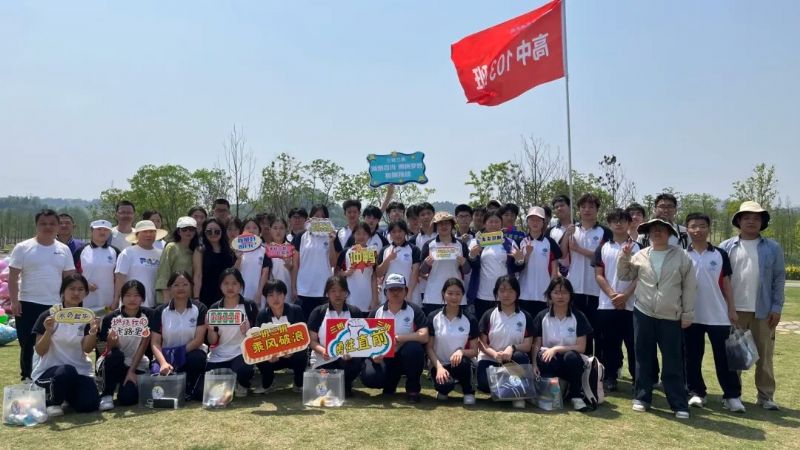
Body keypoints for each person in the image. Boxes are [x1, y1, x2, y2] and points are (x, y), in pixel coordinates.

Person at [618, 218, 696, 419]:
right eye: (653, 230)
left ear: (669, 233)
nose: (657, 233)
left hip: (671, 315)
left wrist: (687, 313)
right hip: (643, 312)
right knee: (643, 357)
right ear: (648, 234)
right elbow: (624, 276)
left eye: (662, 230)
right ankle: (642, 397)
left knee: (672, 360)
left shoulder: (682, 256)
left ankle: (678, 403)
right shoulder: (641, 254)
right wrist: (624, 256)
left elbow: (689, 287)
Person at [719, 201, 785, 410]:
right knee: (735, 356)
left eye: (756, 218)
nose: (751, 221)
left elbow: (779, 279)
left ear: (762, 222)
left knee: (764, 356)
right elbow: (719, 279)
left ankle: (765, 396)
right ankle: (733, 395)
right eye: (746, 217)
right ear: (738, 221)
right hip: (734, 310)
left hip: (763, 311)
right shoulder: (726, 246)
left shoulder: (773, 248)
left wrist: (776, 307)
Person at [684, 213, 744, 412]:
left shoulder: (720, 254)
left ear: (708, 228)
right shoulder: (682, 254)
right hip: (691, 315)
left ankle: (732, 396)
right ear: (687, 229)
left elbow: (727, 284)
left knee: (724, 358)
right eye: (693, 226)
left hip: (718, 315)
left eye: (702, 226)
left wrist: (732, 309)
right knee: (692, 357)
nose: (698, 230)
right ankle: (696, 392)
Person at [8, 208, 76, 380]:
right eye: (43, 223)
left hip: (55, 305)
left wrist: (70, 304)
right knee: (28, 343)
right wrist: (14, 301)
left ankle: (50, 378)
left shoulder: (64, 249)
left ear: (58, 226)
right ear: (36, 225)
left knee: (54, 343)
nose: (48, 227)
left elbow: (70, 279)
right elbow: (13, 277)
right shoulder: (23, 247)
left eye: (52, 223)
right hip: (28, 302)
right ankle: (27, 377)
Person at [31, 274, 101, 416]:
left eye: (80, 289)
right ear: (63, 291)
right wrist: (48, 331)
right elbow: (40, 350)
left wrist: (93, 331)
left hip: (79, 371)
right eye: (71, 288)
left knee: (89, 404)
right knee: (66, 371)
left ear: (86, 293)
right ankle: (53, 402)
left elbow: (87, 349)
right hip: (51, 371)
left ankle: (66, 396)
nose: (76, 293)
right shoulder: (49, 315)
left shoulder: (87, 317)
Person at [361, 274, 429, 403]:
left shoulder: (414, 310)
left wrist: (398, 338)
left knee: (414, 348)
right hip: (384, 357)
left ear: (406, 291)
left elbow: (424, 336)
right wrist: (373, 355)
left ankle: (413, 389)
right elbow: (366, 339)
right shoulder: (376, 312)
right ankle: (390, 383)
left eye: (399, 289)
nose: (395, 292)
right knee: (370, 377)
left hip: (405, 356)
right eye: (392, 289)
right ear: (385, 292)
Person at [592, 209, 639, 392]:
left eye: (622, 221)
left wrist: (625, 295)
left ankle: (638, 379)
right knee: (609, 344)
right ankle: (610, 377)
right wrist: (613, 295)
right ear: (609, 224)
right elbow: (599, 274)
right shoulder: (603, 247)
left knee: (633, 345)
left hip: (632, 305)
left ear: (629, 224)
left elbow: (641, 276)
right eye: (614, 221)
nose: (618, 224)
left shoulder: (638, 248)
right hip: (607, 304)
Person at [531, 277, 593, 411]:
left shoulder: (578, 316)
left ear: (570, 295)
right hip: (549, 361)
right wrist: (534, 364)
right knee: (546, 356)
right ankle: (551, 393)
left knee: (572, 357)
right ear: (550, 295)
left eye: (564, 292)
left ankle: (576, 396)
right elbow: (536, 345)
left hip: (569, 362)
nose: (560, 296)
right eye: (556, 292)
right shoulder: (542, 316)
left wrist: (556, 348)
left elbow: (581, 347)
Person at [561, 193, 611, 356]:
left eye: (591, 207)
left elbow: (602, 258)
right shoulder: (572, 230)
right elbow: (562, 254)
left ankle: (601, 365)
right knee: (580, 331)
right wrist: (566, 235)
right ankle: (583, 364)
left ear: (597, 210)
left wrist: (579, 249)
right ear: (579, 210)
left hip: (597, 289)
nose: (587, 210)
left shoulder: (604, 232)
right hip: (575, 288)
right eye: (583, 207)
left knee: (599, 332)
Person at [476, 276, 535, 409]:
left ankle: (517, 394)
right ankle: (506, 391)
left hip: (512, 359)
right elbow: (482, 343)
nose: (506, 294)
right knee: (484, 384)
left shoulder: (525, 316)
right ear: (496, 293)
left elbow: (527, 346)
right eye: (502, 290)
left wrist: (512, 348)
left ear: (517, 293)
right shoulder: (489, 314)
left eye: (510, 290)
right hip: (490, 358)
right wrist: (494, 354)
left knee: (520, 356)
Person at [150, 271, 208, 401]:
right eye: (176, 285)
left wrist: (178, 354)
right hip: (166, 356)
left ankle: (190, 388)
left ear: (191, 286)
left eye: (185, 284)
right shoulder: (160, 311)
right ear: (169, 288)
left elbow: (199, 340)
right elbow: (155, 342)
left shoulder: (200, 308)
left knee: (197, 358)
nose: (181, 288)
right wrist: (163, 362)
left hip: (190, 353)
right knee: (157, 378)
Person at [98, 280, 153, 410]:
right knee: (115, 355)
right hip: (115, 362)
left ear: (143, 298)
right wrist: (112, 342)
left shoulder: (149, 315)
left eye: (136, 295)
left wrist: (131, 371)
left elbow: (143, 346)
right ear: (122, 298)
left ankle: (128, 384)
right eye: (128, 295)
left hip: (137, 363)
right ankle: (107, 394)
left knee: (127, 398)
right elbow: (104, 350)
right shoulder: (111, 318)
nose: (132, 299)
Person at [307, 276, 366, 395]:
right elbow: (312, 341)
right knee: (324, 389)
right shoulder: (318, 312)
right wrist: (323, 350)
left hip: (347, 358)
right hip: (323, 359)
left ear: (346, 293)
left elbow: (362, 338)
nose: (338, 294)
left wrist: (352, 352)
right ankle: (337, 386)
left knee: (354, 362)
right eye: (333, 291)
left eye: (341, 290)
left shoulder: (355, 312)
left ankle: (346, 384)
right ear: (327, 293)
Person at [205, 268, 259, 397]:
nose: (230, 287)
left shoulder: (249, 306)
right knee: (210, 378)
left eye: (234, 283)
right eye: (226, 283)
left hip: (241, 352)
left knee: (243, 370)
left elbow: (257, 336)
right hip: (219, 354)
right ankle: (230, 383)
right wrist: (210, 329)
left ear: (240, 285)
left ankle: (242, 383)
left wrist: (247, 332)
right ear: (220, 286)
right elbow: (212, 341)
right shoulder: (215, 308)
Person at [426, 278, 479, 405]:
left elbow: (474, 351)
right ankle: (446, 385)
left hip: (460, 363)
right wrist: (439, 368)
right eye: (450, 293)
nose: (454, 297)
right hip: (440, 364)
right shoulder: (433, 317)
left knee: (463, 363)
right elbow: (429, 348)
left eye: (458, 294)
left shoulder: (470, 319)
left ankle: (468, 391)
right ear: (443, 294)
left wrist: (461, 352)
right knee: (444, 389)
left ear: (462, 295)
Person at [468, 212, 523, 321]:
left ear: (501, 224)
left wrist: (519, 260)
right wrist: (472, 256)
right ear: (484, 224)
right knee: (483, 326)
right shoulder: (476, 242)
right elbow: (473, 266)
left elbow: (516, 268)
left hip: (504, 295)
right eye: (490, 222)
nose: (494, 224)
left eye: (497, 222)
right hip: (482, 294)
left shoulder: (509, 243)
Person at [254, 280, 307, 393]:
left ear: (285, 295)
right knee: (260, 357)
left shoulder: (296, 310)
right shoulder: (262, 315)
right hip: (273, 357)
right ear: (266, 298)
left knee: (302, 352)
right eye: (271, 295)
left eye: (279, 294)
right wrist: (268, 354)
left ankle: (298, 383)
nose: (275, 298)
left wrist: (292, 350)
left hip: (292, 354)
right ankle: (268, 384)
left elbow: (303, 336)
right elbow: (258, 340)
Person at [420, 212, 471, 316]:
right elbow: (422, 271)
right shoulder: (429, 245)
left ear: (452, 225)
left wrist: (464, 262)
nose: (444, 226)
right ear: (436, 226)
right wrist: (426, 263)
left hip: (456, 294)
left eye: (447, 223)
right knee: (433, 324)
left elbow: (467, 270)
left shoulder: (461, 245)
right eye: (440, 224)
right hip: (433, 294)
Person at [293, 204, 337, 319]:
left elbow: (333, 263)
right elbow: (295, 264)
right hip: (304, 289)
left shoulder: (331, 236)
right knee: (304, 324)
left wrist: (331, 242)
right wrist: (293, 287)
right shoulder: (301, 236)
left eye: (323, 216)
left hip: (324, 290)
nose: (320, 219)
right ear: (310, 218)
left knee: (323, 324)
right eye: (316, 216)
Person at [518, 206, 562, 318]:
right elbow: (517, 266)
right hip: (524, 294)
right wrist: (527, 254)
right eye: (532, 219)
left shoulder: (550, 242)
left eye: (538, 220)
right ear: (527, 222)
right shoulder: (520, 242)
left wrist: (551, 292)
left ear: (543, 222)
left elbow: (554, 270)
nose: (535, 222)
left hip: (544, 294)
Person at [74, 219, 121, 316]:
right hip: (85, 299)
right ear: (92, 231)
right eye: (99, 229)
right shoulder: (81, 251)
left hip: (108, 301)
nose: (102, 232)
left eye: (106, 230)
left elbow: (119, 278)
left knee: (106, 323)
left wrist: (116, 300)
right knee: (86, 324)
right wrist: (84, 284)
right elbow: (73, 274)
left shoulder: (115, 252)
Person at [115, 220, 166, 308]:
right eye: (145, 232)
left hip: (155, 305)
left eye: (151, 232)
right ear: (137, 235)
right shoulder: (127, 253)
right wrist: (116, 300)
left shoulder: (161, 254)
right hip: (132, 305)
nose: (148, 235)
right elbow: (119, 279)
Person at [193, 219, 235, 309]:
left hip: (227, 293)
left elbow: (234, 272)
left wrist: (239, 258)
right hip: (206, 293)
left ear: (222, 232)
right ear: (204, 233)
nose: (213, 234)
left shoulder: (229, 250)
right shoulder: (200, 250)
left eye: (217, 231)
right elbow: (198, 275)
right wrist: (196, 298)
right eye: (209, 232)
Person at [336, 222, 379, 312]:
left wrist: (375, 299)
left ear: (369, 236)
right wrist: (346, 273)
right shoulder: (346, 252)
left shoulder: (372, 253)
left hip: (367, 298)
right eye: (358, 233)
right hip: (350, 298)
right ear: (353, 234)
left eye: (364, 234)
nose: (361, 236)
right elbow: (336, 273)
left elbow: (374, 277)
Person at [376, 220, 420, 305]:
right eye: (394, 232)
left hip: (409, 294)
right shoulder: (385, 250)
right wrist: (388, 259)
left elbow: (415, 273)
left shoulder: (414, 249)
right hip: (389, 294)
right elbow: (379, 273)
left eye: (400, 231)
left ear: (405, 232)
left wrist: (409, 293)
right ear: (390, 234)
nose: (397, 234)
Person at [156, 217, 198, 304]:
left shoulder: (195, 251)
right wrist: (166, 300)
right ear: (178, 231)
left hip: (187, 299)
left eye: (191, 229)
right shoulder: (171, 247)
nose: (188, 232)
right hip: (170, 298)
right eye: (184, 229)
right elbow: (164, 273)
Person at [234, 218, 272, 307]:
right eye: (248, 227)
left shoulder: (264, 250)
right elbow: (234, 273)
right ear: (242, 231)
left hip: (258, 294)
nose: (251, 230)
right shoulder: (237, 250)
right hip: (240, 293)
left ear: (259, 232)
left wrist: (259, 293)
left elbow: (265, 273)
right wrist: (238, 259)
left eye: (255, 228)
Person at [268, 218, 296, 302]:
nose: (278, 231)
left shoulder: (292, 248)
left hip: (288, 288)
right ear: (270, 230)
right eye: (275, 228)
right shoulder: (266, 249)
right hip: (271, 290)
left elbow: (295, 270)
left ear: (286, 230)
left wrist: (288, 264)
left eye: (281, 228)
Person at [548, 195, 573, 277]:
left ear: (569, 207)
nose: (559, 208)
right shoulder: (551, 232)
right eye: (556, 207)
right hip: (559, 276)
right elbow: (551, 256)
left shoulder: (580, 228)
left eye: (562, 205)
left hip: (578, 274)